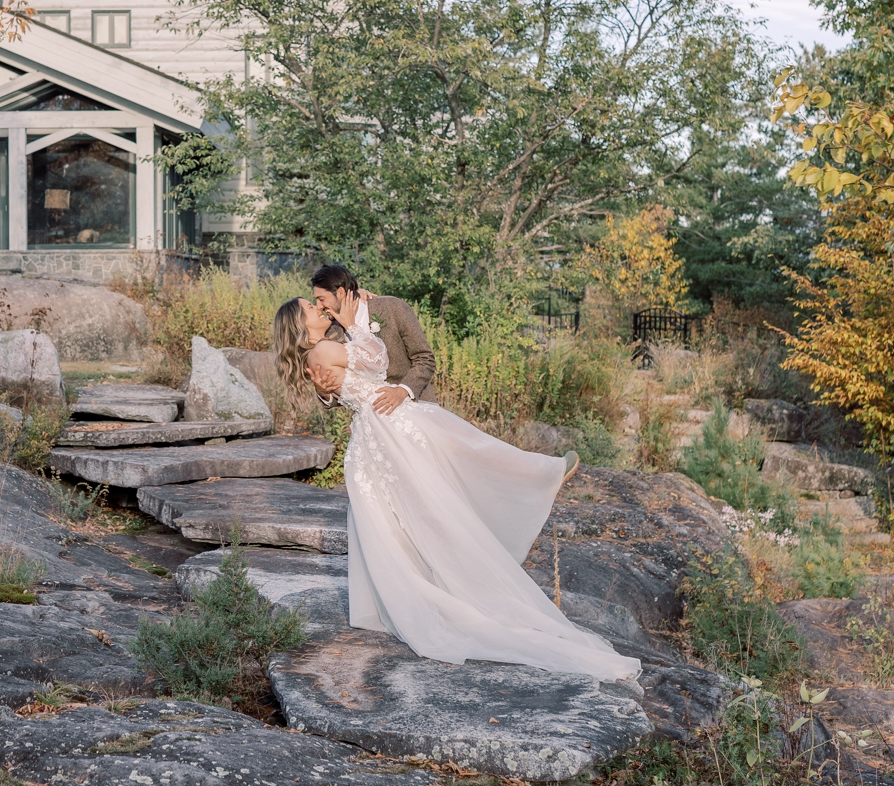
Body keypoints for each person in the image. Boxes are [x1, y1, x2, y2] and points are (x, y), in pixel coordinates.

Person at [271, 292, 638, 683]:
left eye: (319, 302)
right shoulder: (328, 346)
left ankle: (430, 586)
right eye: (311, 307)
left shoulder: (315, 359)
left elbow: (338, 385)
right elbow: (379, 359)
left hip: (372, 436)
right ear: (300, 323)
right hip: (390, 425)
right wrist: (357, 323)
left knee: (403, 515)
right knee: (467, 454)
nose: (319, 308)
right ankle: (539, 476)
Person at [307, 264, 435, 415]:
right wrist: (323, 392)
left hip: (418, 409)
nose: (319, 306)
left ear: (340, 292)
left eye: (321, 299)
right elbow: (347, 390)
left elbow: (425, 358)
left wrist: (401, 391)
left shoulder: (392, 308)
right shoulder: (332, 333)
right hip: (374, 421)